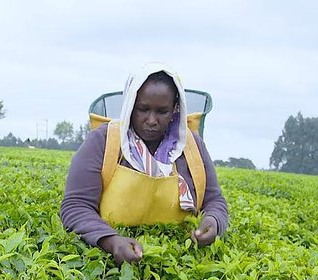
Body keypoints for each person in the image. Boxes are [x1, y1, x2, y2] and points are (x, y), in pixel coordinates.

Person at [60, 62, 228, 264]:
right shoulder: (103, 142)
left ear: (175, 109)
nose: (151, 120)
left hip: (179, 263)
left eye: (162, 111)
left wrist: (213, 221)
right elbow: (75, 205)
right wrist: (111, 241)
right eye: (143, 109)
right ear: (130, 106)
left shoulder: (192, 147)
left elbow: (214, 200)